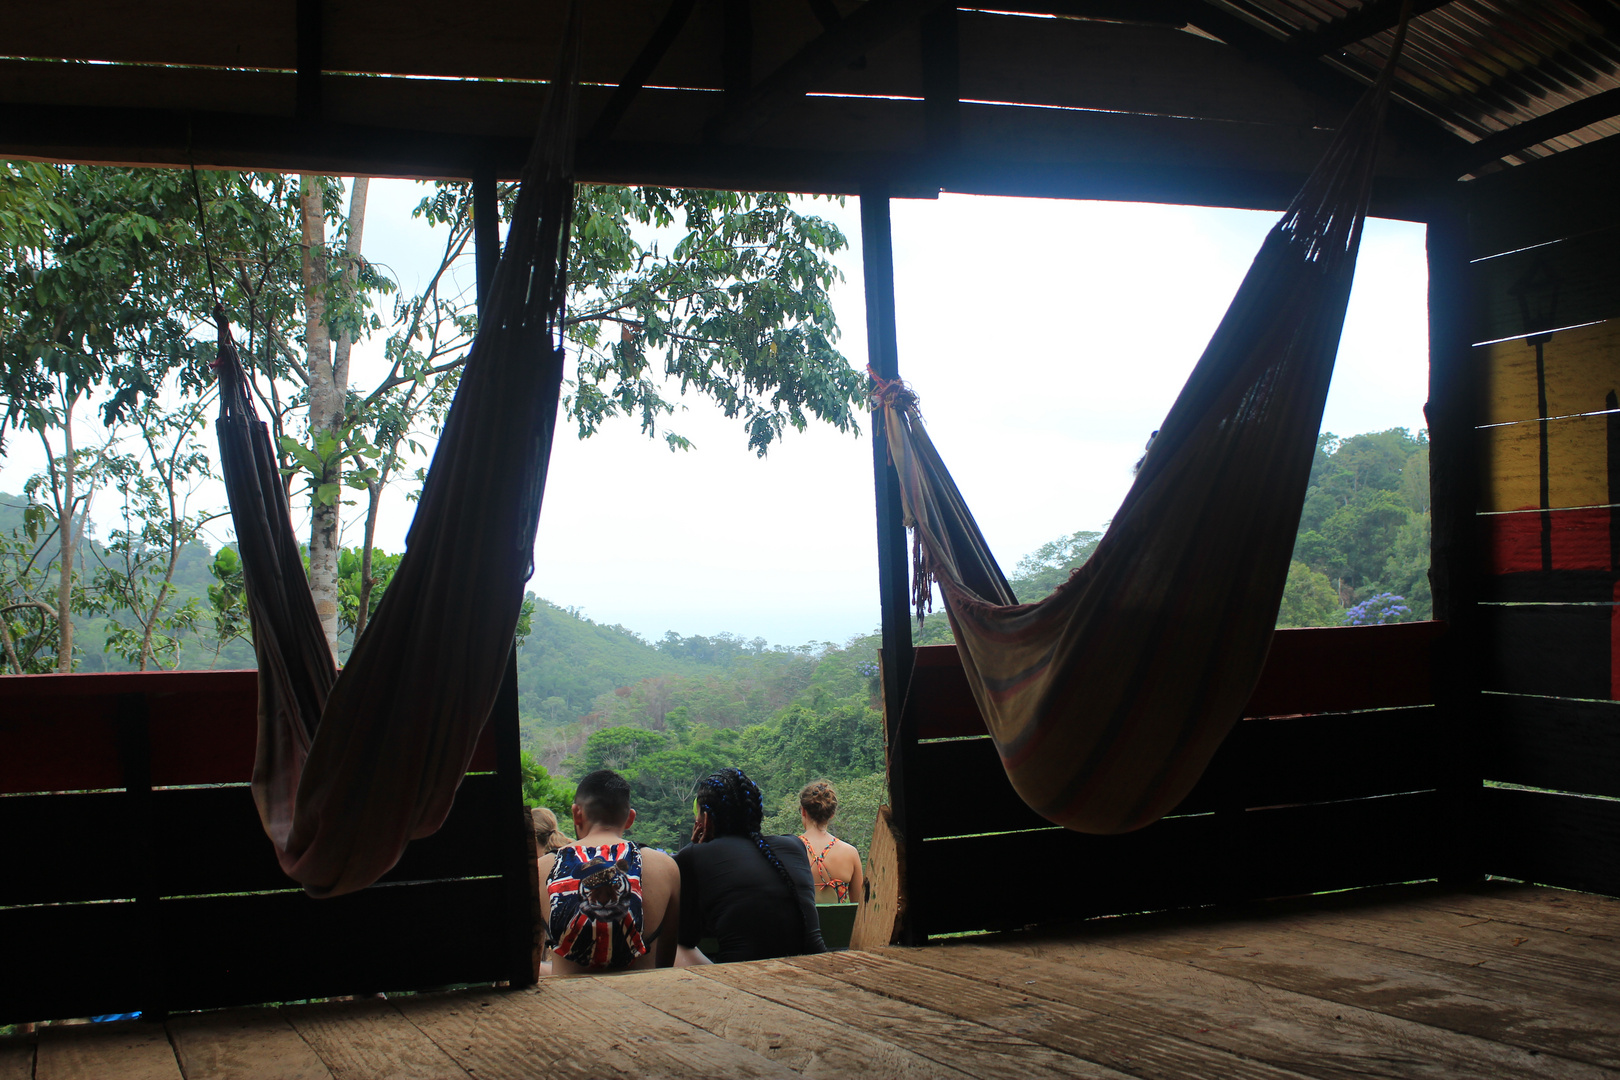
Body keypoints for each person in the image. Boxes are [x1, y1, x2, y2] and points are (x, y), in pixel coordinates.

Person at [673, 767, 827, 965]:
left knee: (675, 948)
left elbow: (685, 937)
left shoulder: (694, 855)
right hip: (816, 966)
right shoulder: (795, 845)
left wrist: (693, 849)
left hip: (744, 976)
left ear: (706, 819)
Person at [537, 769, 679, 975]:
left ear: (577, 814)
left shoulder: (542, 868)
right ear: (630, 818)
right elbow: (666, 964)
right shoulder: (666, 867)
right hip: (641, 999)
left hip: (570, 1001)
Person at [796, 779, 865, 904]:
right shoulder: (850, 853)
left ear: (803, 811)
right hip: (840, 923)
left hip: (802, 923)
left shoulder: (789, 849)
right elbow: (860, 910)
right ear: (832, 814)